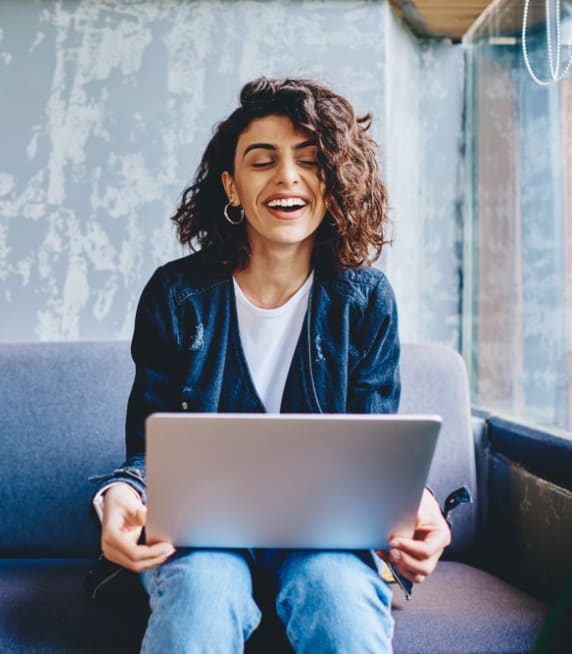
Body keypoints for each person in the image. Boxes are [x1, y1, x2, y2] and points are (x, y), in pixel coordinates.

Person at [90, 77, 452, 653]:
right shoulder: (174, 295)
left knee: (339, 600)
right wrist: (119, 495)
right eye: (263, 161)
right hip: (200, 539)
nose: (287, 176)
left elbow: (374, 445)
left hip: (327, 538)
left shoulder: (368, 301)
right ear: (232, 186)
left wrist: (416, 504)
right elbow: (151, 450)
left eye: (309, 161)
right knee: (202, 595)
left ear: (334, 184)